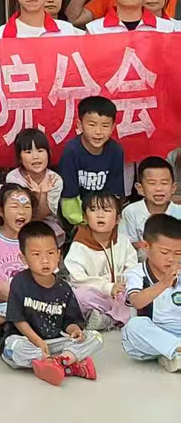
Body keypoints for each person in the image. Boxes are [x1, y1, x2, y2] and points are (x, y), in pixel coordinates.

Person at [2, 220, 102, 384]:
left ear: (58, 254)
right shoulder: (20, 282)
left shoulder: (64, 288)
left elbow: (70, 320)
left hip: (53, 343)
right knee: (13, 347)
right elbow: (17, 320)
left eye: (50, 253)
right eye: (36, 255)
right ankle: (66, 364)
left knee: (95, 337)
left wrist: (75, 331)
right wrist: (36, 341)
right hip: (27, 340)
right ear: (23, 258)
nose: (45, 260)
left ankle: (60, 361)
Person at [64, 191, 136, 331]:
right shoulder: (79, 245)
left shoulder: (123, 241)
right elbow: (78, 279)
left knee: (135, 296)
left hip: (120, 295)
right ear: (85, 217)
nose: (100, 215)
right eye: (93, 210)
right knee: (79, 296)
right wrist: (107, 287)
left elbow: (132, 269)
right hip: (96, 295)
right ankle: (112, 318)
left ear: (118, 218)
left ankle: (107, 319)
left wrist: (122, 287)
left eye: (106, 210)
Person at [122, 213, 181, 368]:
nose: (171, 259)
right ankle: (174, 349)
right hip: (152, 335)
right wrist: (163, 284)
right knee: (133, 327)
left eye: (178, 253)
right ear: (146, 247)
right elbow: (136, 302)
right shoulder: (136, 273)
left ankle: (172, 354)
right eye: (164, 252)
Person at [58, 95, 125, 226]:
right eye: (92, 125)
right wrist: (83, 221)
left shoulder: (116, 150)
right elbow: (69, 198)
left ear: (113, 127)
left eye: (105, 126)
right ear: (80, 125)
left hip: (105, 215)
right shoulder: (72, 151)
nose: (98, 132)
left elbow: (115, 193)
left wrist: (107, 219)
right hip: (77, 218)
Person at [0, 184, 33, 332]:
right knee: (5, 290)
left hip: (34, 297)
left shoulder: (36, 239)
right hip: (0, 300)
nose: (22, 212)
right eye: (15, 206)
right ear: (0, 211)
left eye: (27, 207)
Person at [5, 127, 64, 241]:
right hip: (18, 223)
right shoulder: (13, 178)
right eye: (28, 152)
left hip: (46, 225)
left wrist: (42, 194)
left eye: (40, 151)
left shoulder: (55, 180)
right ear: (19, 157)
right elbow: (17, 213)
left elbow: (42, 216)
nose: (35, 156)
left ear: (48, 153)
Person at [122, 156, 181, 248]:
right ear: (140, 188)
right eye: (152, 183)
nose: (159, 188)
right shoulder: (130, 212)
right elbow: (125, 245)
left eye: (164, 183)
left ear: (173, 188)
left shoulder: (179, 212)